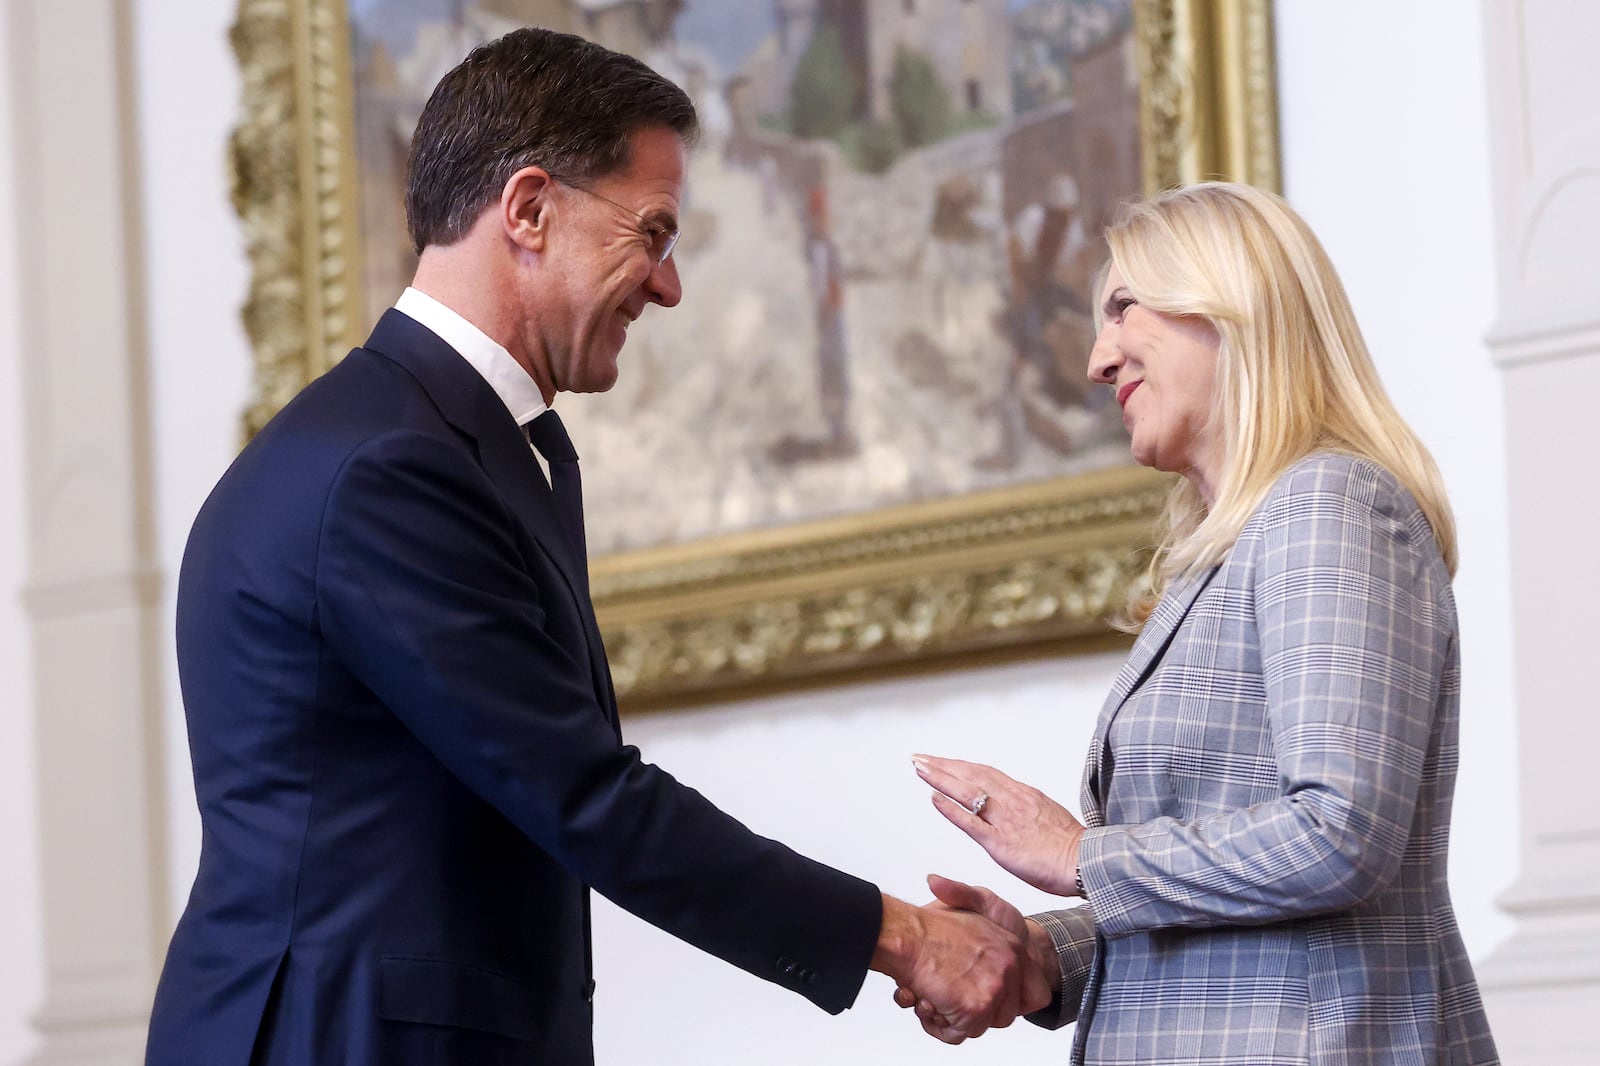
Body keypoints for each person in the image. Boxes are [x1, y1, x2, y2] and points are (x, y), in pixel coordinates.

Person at [145, 28, 1045, 1065]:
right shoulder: (385, 467)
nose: (666, 286)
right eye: (653, 233)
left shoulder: (463, 441)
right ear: (528, 209)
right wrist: (905, 935)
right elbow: (585, 796)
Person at [902, 182, 1501, 1064]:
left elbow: (1340, 835)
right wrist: (1045, 956)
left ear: (1229, 304)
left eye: (1123, 306)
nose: (1098, 358)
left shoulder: (1328, 503)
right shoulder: (1241, 547)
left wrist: (1080, 854)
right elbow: (1245, 893)